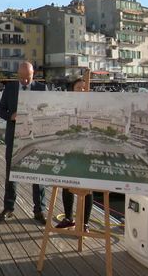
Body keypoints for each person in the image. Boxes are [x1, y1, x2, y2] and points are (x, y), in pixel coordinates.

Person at [0, 61, 47, 224]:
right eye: (22, 78)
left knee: (38, 175)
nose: (25, 81)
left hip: (35, 138)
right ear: (18, 74)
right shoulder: (10, 88)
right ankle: (9, 208)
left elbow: (48, 110)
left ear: (33, 74)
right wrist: (11, 116)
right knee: (11, 175)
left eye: (28, 78)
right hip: (14, 138)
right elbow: (1, 111)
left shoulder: (42, 89)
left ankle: (39, 210)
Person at [57, 76, 93, 232]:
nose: (82, 90)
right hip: (69, 148)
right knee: (67, 184)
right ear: (72, 90)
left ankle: (84, 223)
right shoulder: (66, 106)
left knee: (89, 188)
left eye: (84, 88)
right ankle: (68, 218)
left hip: (87, 150)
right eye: (78, 88)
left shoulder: (93, 106)